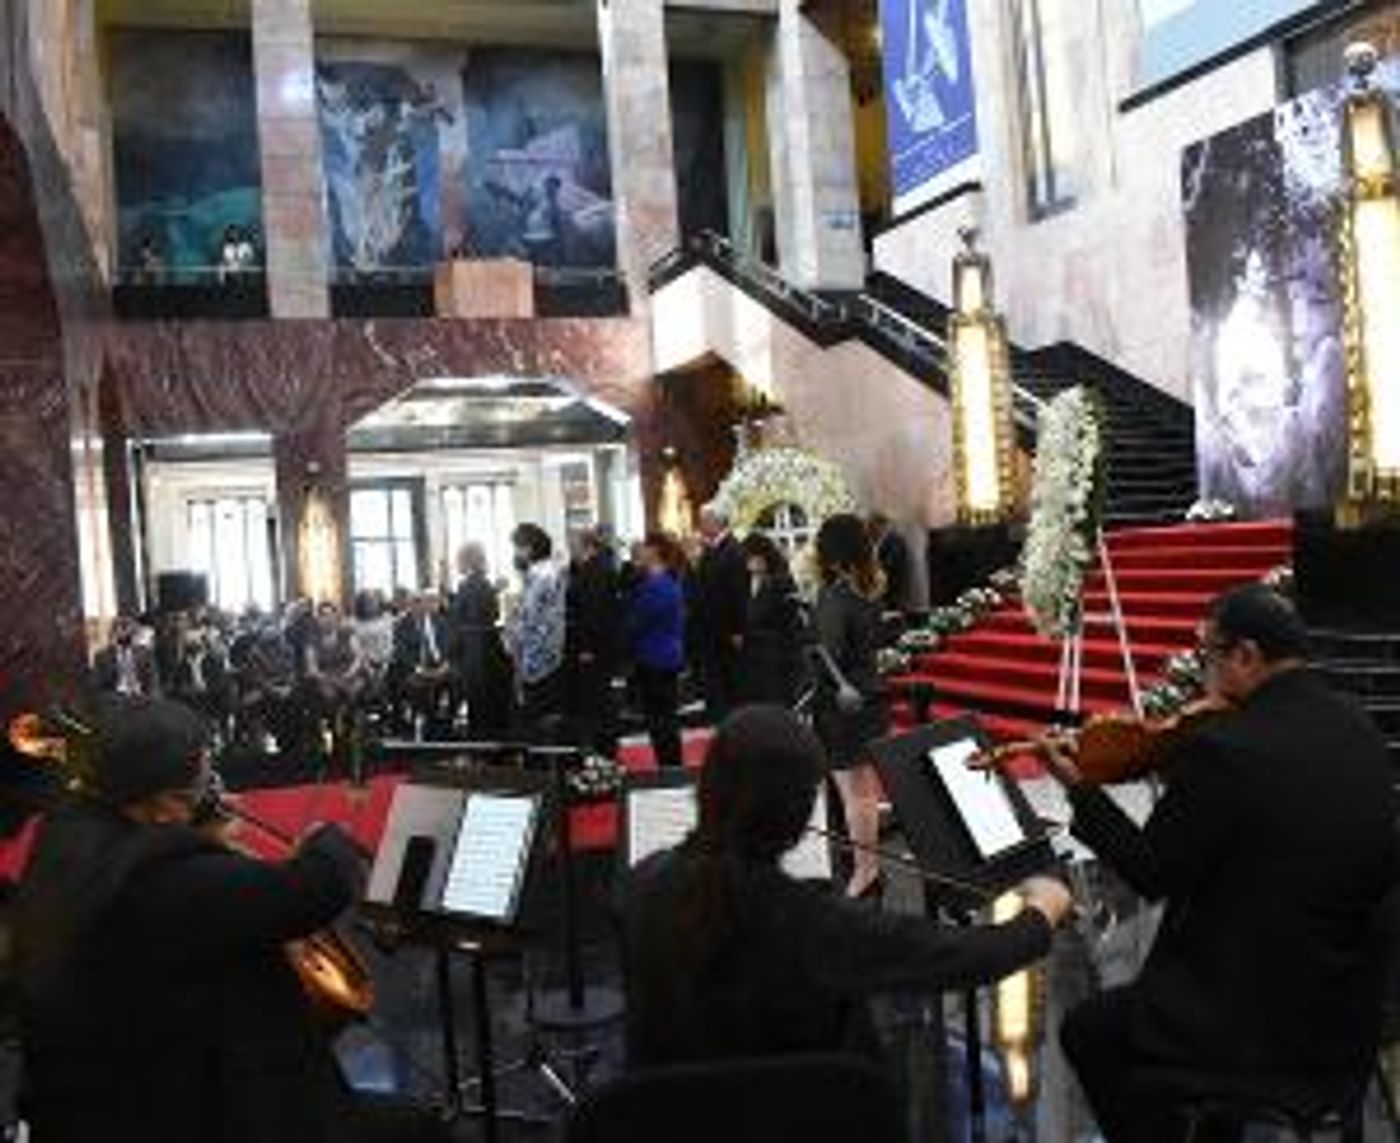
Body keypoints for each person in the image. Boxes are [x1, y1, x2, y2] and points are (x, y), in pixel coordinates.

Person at [1039, 586, 1398, 1142]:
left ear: (1246, 657)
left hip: (1253, 1015)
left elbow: (1150, 870)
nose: (1203, 676)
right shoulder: (1359, 729)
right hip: (1348, 1003)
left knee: (1090, 1031)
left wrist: (1082, 790)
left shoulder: (1226, 748)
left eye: (1208, 657)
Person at [12, 695, 448, 1143]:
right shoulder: (168, 882)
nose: (208, 791)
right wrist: (326, 839)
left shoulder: (69, 832)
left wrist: (189, 828)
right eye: (197, 785)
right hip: (174, 1111)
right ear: (161, 803)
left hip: (86, 1100)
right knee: (417, 1127)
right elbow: (315, 887)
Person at [621, 705, 1072, 1066]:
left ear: (707, 789)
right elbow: (966, 956)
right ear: (800, 821)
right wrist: (1041, 912)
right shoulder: (810, 922)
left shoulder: (641, 885)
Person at [811, 514, 891, 899]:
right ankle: (868, 869)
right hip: (872, 696)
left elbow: (829, 652)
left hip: (844, 705)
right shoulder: (870, 589)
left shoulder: (835, 596)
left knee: (853, 792)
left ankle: (865, 871)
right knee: (866, 790)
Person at [624, 532, 687, 770]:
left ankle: (670, 767)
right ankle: (669, 765)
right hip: (661, 656)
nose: (640, 550)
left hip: (656, 659)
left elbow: (638, 621)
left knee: (661, 721)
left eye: (646, 546)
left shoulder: (658, 584)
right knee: (662, 719)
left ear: (655, 551)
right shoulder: (661, 581)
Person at [506, 523, 567, 738]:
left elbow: (527, 618)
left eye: (517, 547)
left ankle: (541, 767)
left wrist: (511, 634)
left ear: (529, 548)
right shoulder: (553, 569)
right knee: (548, 717)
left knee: (537, 721)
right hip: (551, 653)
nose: (515, 553)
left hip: (538, 657)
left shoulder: (540, 575)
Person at [689, 505, 749, 723]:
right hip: (712, 631)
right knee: (715, 687)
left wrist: (737, 630)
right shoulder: (713, 549)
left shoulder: (733, 550)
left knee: (728, 686)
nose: (700, 526)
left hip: (726, 633)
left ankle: (732, 728)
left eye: (703, 521)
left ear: (717, 522)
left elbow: (738, 593)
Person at [565, 527, 622, 755]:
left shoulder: (597, 569)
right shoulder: (587, 567)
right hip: (593, 646)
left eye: (573, 544)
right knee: (594, 700)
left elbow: (594, 613)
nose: (570, 548)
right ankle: (601, 746)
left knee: (598, 700)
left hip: (595, 648)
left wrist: (588, 647)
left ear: (585, 545)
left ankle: (606, 749)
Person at [447, 543, 512, 738]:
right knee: (493, 705)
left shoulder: (468, 585)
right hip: (491, 649)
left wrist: (450, 654)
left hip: (475, 654)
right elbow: (491, 614)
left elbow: (460, 620)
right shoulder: (484, 584)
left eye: (458, 560)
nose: (456, 564)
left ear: (466, 560)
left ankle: (482, 753)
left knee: (479, 705)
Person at [738, 532, 804, 707]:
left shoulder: (780, 580)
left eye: (751, 557)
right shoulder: (751, 579)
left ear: (763, 556)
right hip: (757, 658)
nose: (747, 562)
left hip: (777, 657)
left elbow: (759, 615)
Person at [389, 591, 455, 738]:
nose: (418, 606)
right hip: (414, 669)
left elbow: (450, 645)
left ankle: (447, 726)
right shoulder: (402, 625)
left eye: (421, 602)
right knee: (417, 687)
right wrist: (420, 670)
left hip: (439, 667)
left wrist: (445, 665)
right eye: (415, 602)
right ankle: (423, 725)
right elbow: (402, 654)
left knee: (457, 682)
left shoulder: (440, 621)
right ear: (409, 605)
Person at [90, 615, 158, 698]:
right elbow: (97, 685)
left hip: (141, 698)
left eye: (127, 628)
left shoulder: (145, 653)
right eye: (121, 628)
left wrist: (149, 696)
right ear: (113, 632)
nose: (124, 633)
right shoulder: (102, 656)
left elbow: (153, 680)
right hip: (116, 699)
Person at [868, 513, 912, 614]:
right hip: (879, 592)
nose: (870, 530)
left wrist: (872, 568)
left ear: (880, 525)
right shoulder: (876, 541)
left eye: (872, 526)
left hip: (892, 592)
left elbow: (891, 565)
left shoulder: (895, 541)